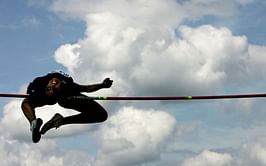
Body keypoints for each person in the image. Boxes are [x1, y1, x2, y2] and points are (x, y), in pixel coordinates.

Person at [21, 71, 113, 143]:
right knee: (26, 103)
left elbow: (87, 89)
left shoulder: (69, 86)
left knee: (101, 115)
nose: (52, 91)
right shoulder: (39, 82)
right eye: (49, 89)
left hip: (66, 99)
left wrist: (102, 85)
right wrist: (31, 91)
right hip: (48, 97)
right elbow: (29, 91)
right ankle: (33, 123)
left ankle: (60, 120)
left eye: (54, 90)